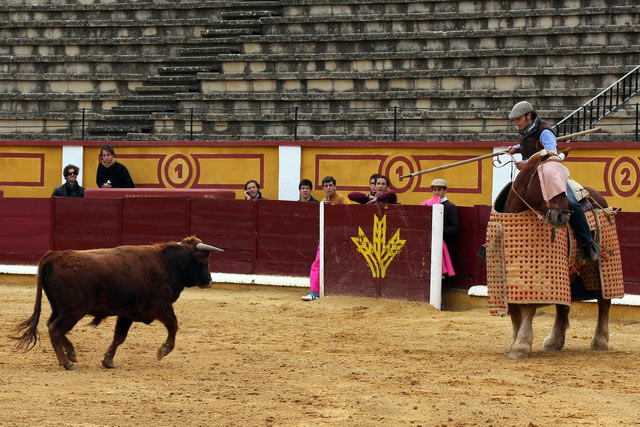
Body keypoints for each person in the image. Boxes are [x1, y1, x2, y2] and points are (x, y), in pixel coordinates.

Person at [507, 101, 599, 262]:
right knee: (507, 198)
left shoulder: (545, 132)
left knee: (571, 202)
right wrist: (516, 148)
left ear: (529, 115)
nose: (517, 122)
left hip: (550, 173)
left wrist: (527, 162)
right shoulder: (525, 129)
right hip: (531, 177)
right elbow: (530, 144)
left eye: (518, 118)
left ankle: (588, 244)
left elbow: (552, 155)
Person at [301, 176, 350, 301]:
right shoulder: (323, 201)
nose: (328, 188)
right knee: (318, 264)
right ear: (323, 188)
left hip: (339, 239)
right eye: (326, 186)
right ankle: (315, 293)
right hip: (326, 238)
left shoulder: (342, 200)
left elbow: (349, 218)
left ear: (335, 187)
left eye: (330, 185)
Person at [422, 178, 458, 277]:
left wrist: (438, 230)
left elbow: (455, 228)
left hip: (443, 241)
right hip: (429, 241)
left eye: (439, 189)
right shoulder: (429, 205)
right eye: (434, 190)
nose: (437, 192)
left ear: (445, 191)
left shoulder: (450, 206)